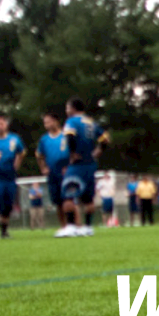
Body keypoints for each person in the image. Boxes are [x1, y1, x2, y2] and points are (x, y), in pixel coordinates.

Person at [58, 97, 109, 237]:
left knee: (67, 195)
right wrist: (98, 151)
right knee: (88, 198)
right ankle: (87, 227)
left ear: (73, 108)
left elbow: (70, 136)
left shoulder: (72, 121)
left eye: (67, 107)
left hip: (77, 164)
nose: (66, 110)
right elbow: (105, 139)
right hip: (91, 164)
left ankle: (71, 226)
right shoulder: (91, 122)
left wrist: (73, 153)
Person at [0, 114, 24, 239]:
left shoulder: (14, 139)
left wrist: (16, 165)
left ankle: (4, 231)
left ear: (6, 125)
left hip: (10, 177)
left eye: (2, 123)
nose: (0, 126)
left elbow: (21, 152)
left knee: (8, 205)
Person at [36, 112, 69, 231]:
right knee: (58, 202)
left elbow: (74, 152)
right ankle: (63, 226)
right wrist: (43, 168)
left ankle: (74, 225)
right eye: (45, 123)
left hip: (66, 172)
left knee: (69, 200)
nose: (47, 124)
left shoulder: (65, 135)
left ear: (56, 121)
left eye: (49, 121)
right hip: (53, 174)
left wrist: (70, 166)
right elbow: (39, 156)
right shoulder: (44, 139)